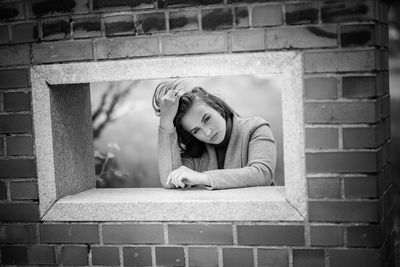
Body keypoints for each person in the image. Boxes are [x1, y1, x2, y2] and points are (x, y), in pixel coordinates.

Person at [152, 80, 277, 190]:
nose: (207, 132)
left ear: (218, 108)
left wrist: (203, 178)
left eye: (206, 119)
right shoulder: (198, 152)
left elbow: (262, 174)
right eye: (196, 131)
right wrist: (166, 120)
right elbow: (170, 180)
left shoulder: (255, 128)